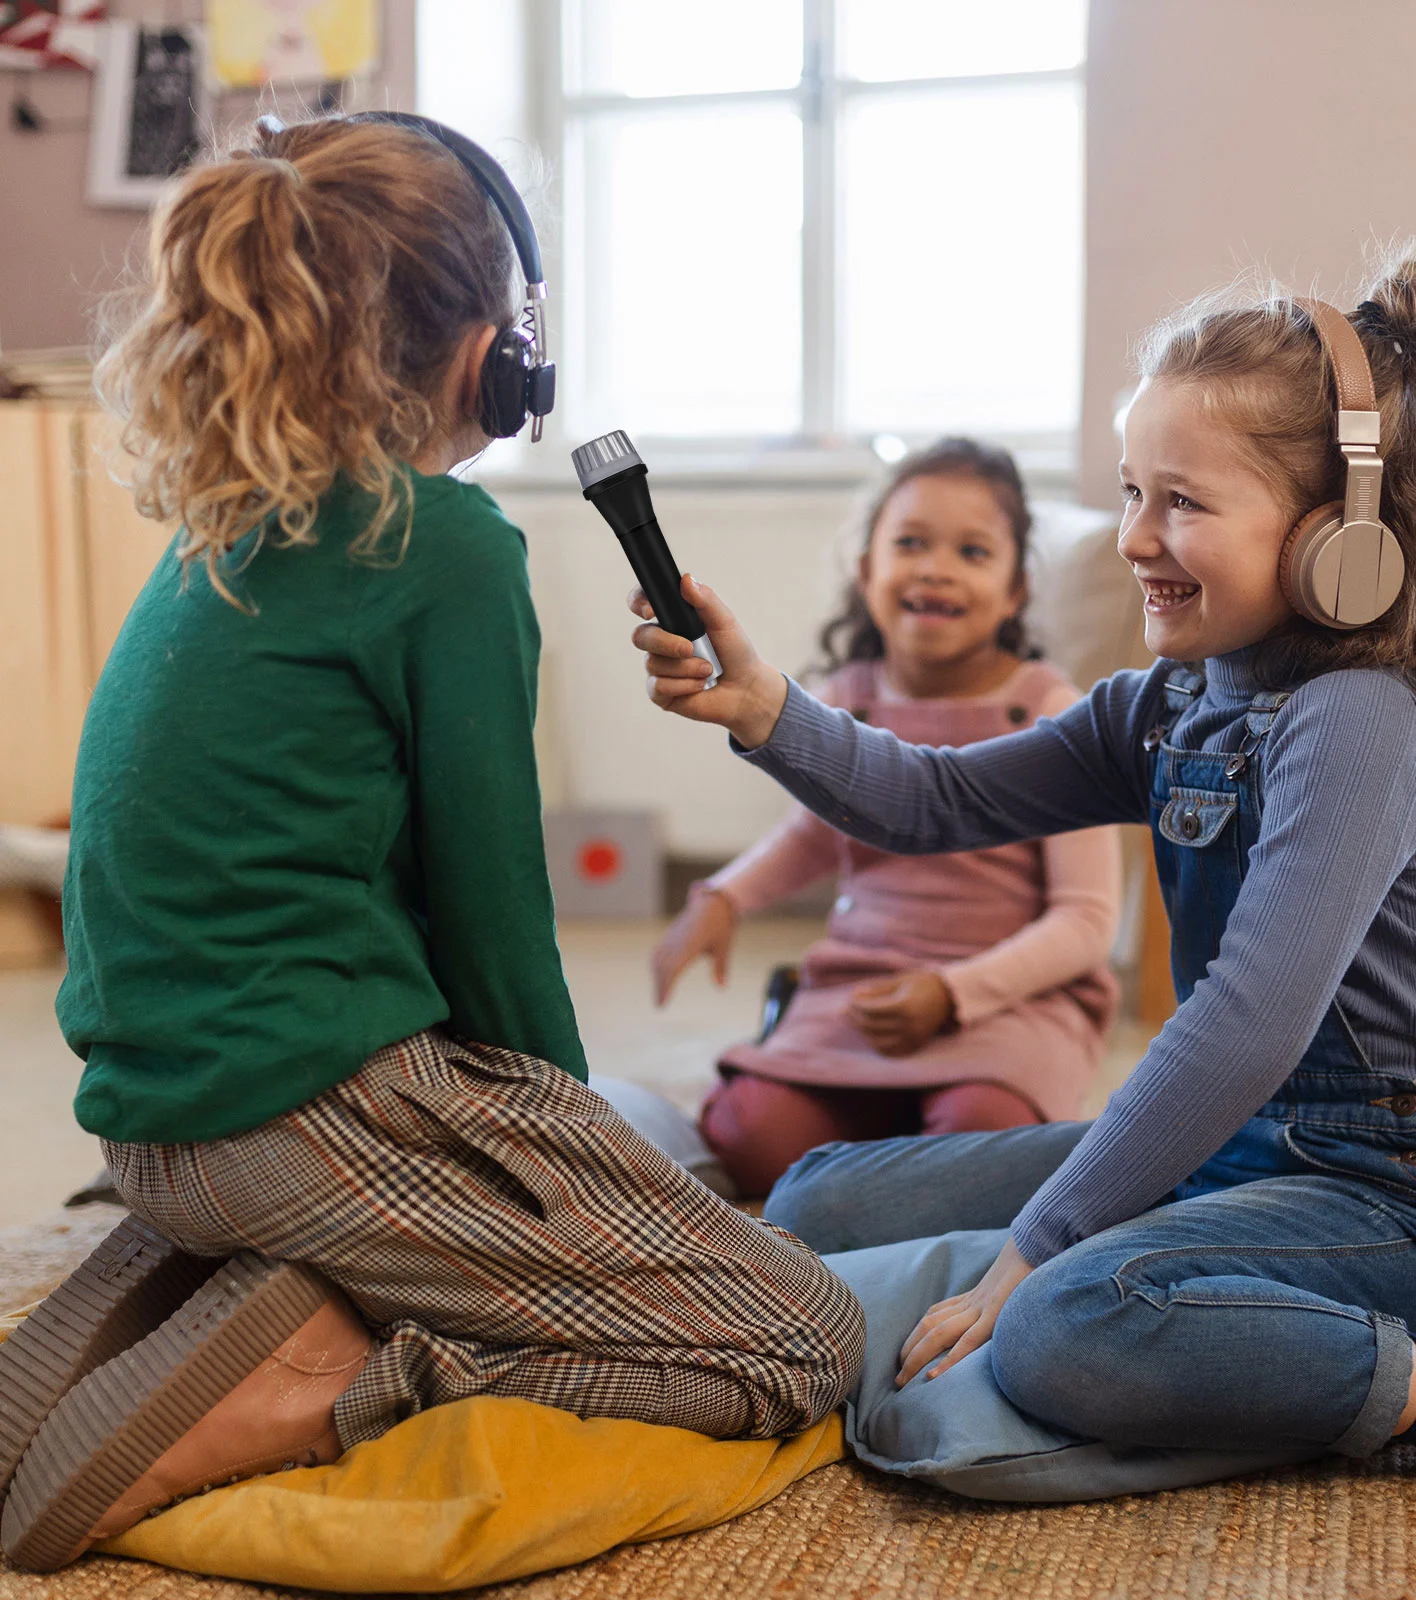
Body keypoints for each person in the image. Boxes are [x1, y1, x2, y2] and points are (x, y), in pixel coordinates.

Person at [0, 113, 862, 1574]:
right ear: (492, 347)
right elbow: (493, 916)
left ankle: (216, 1279)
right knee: (803, 1333)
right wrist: (575, 1156)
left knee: (649, 1195)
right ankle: (347, 1354)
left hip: (157, 1115)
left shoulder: (222, 523)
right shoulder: (447, 548)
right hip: (302, 1107)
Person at [631, 259, 1416, 1519]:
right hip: (1242, 1153)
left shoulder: (1358, 718)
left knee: (1064, 1321)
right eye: (1133, 490)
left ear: (1336, 535)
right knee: (819, 1195)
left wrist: (1043, 1244)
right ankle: (1188, 1298)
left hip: (1399, 1194)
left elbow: (1246, 1019)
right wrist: (768, 710)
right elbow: (937, 802)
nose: (1136, 535)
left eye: (1183, 501)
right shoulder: (1169, 703)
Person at [652, 439, 1121, 1197]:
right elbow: (810, 833)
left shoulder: (1048, 711)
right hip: (863, 989)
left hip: (1007, 1006)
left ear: (1014, 594)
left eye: (972, 551)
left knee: (983, 1132)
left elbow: (1085, 923)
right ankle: (885, 1142)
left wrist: (952, 995)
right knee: (748, 1135)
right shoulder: (850, 697)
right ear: (867, 572)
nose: (935, 566)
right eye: (910, 543)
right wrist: (725, 896)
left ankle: (908, 1144)